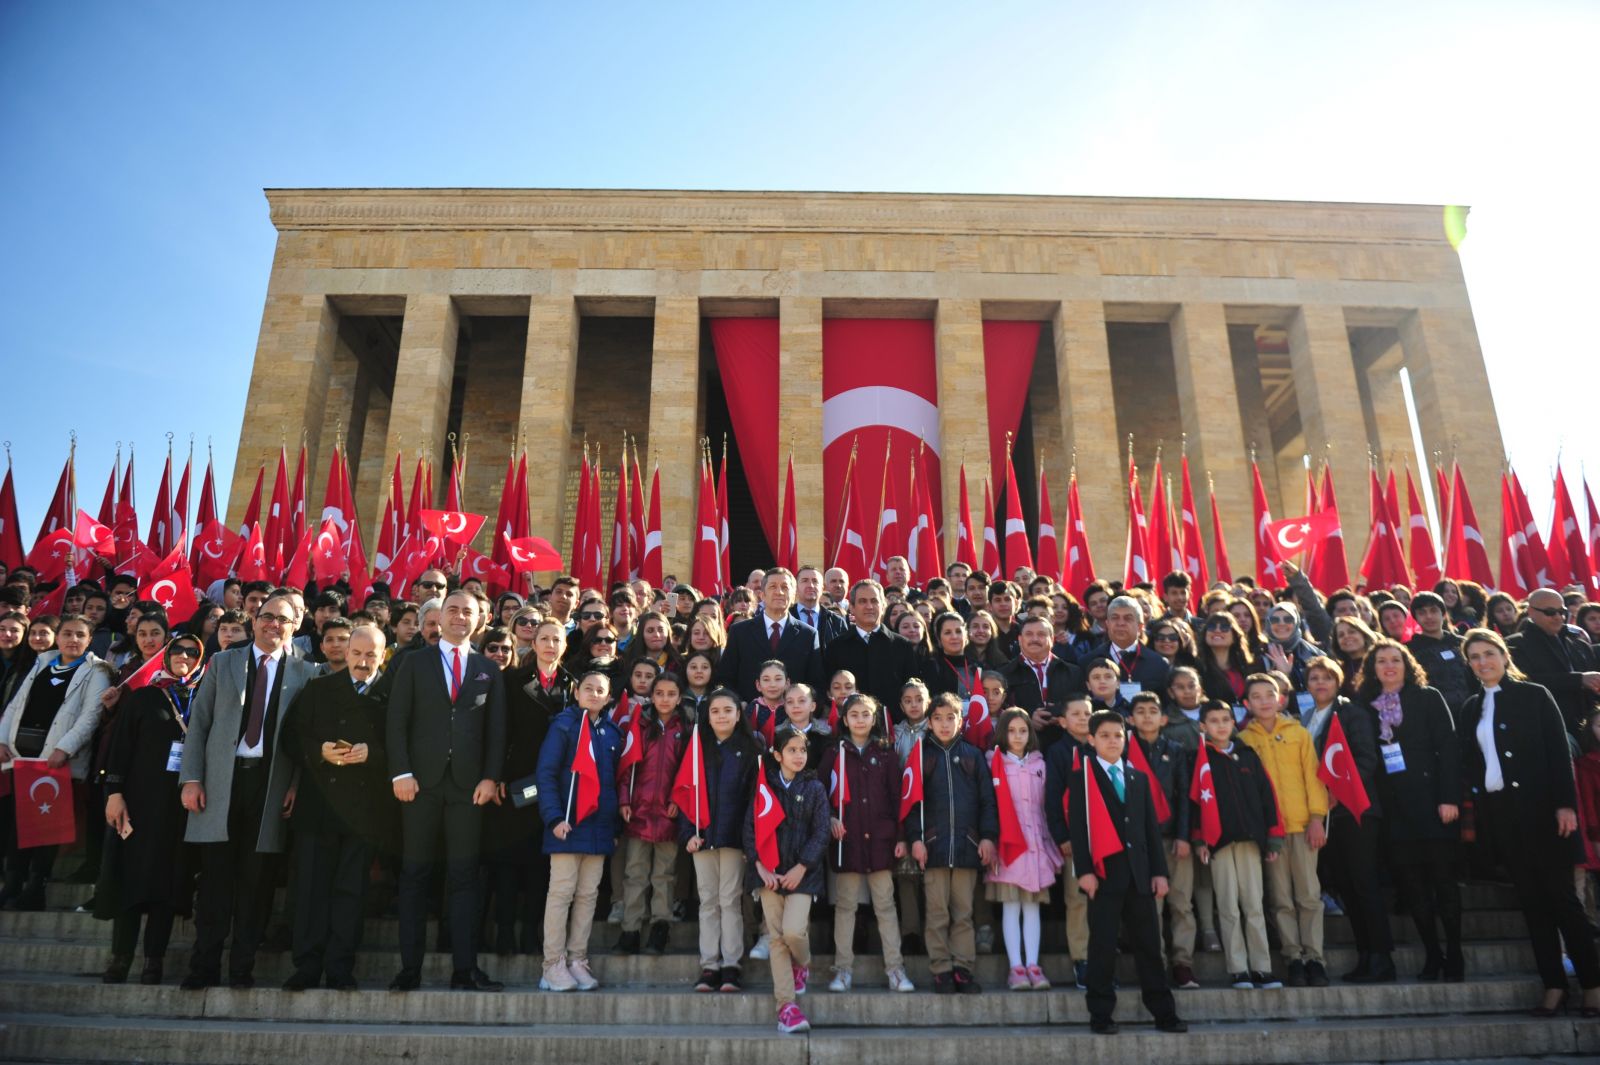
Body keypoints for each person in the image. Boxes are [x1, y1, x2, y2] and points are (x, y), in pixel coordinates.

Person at [177, 593, 318, 988]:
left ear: (294, 627)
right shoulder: (223, 662)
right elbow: (199, 723)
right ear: (255, 621)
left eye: (284, 620)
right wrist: (191, 779)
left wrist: (295, 785)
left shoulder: (306, 673)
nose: (274, 624)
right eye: (267, 616)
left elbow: (306, 739)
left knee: (257, 883)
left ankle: (242, 967)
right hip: (222, 781)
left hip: (269, 786)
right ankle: (203, 966)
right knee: (215, 880)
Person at [1459, 628, 1600, 1016]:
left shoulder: (1535, 695)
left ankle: (1592, 983)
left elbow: (1558, 754)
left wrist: (1565, 806)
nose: (1483, 662)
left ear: (1505, 656)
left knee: (1564, 902)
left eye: (1489, 653)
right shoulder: (1472, 707)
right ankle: (1553, 985)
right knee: (1533, 906)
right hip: (1503, 816)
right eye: (1474, 657)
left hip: (1545, 813)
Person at [386, 590, 507, 993]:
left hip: (469, 789)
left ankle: (465, 969)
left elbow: (496, 730)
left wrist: (491, 777)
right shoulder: (414, 662)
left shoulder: (488, 668)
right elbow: (396, 721)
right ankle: (409, 969)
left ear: (479, 620)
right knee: (415, 875)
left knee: (464, 877)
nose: (459, 617)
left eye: (467, 612)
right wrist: (400, 772)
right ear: (439, 617)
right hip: (419, 785)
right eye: (452, 610)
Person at [282, 624, 388, 991]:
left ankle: (340, 968)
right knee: (312, 890)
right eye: (356, 653)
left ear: (382, 655)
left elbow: (408, 747)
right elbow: (291, 737)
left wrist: (373, 754)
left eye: (370, 655)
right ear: (346, 653)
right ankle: (307, 966)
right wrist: (319, 752)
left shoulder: (391, 694)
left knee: (351, 892)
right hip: (319, 807)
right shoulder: (319, 688)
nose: (362, 661)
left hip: (364, 812)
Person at [95, 633, 205, 985]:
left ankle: (153, 961)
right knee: (130, 880)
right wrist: (114, 792)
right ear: (166, 656)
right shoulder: (143, 697)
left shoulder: (203, 699)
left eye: (192, 652)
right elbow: (120, 748)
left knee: (167, 886)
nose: (184, 657)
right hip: (137, 804)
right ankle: (121, 958)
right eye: (177, 651)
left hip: (179, 809)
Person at [1070, 709, 1187, 1034]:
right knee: (1103, 947)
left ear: (1126, 738)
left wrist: (1159, 872)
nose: (1112, 741)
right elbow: (1079, 828)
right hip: (1104, 875)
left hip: (1140, 876)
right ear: (1091, 740)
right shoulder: (1083, 776)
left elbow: (1151, 831)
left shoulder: (1138, 778)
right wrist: (1084, 870)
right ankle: (1101, 1015)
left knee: (1150, 946)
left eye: (1118, 735)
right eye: (1104, 736)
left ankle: (1165, 1013)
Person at [1358, 638, 1462, 981]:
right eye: (1381, 661)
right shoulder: (1365, 706)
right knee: (1414, 889)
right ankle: (1433, 953)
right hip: (1394, 810)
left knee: (1444, 885)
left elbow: (1449, 748)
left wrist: (1450, 798)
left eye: (1395, 660)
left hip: (1434, 804)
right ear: (1372, 669)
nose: (1389, 666)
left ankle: (1455, 952)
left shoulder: (1428, 697)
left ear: (1407, 664)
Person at [0, 614, 111, 909]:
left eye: (79, 635)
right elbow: (16, 704)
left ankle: (35, 889)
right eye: (67, 634)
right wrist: (1, 739)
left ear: (89, 640)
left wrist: (65, 748)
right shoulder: (43, 662)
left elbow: (91, 716)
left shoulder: (96, 670)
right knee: (17, 825)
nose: (72, 640)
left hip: (57, 762)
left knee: (45, 829)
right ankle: (12, 884)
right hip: (22, 758)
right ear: (58, 636)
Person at [1301, 656, 1393, 983]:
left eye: (1327, 677)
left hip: (1356, 811)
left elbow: (1367, 759)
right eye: (1314, 678)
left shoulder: (1351, 712)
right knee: (1347, 887)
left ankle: (1382, 957)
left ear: (1338, 681)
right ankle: (1365, 955)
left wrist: (1339, 793)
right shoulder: (1307, 717)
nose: (1321, 683)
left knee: (1364, 884)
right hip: (1327, 817)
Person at [1239, 673, 1329, 987]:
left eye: (1270, 694)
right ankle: (1293, 957)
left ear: (1281, 698)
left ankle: (1315, 957)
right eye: (1257, 696)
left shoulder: (1298, 733)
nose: (1264, 701)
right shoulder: (1244, 740)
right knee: (1280, 899)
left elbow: (1314, 777)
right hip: (1271, 832)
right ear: (1247, 704)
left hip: (1303, 825)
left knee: (1308, 895)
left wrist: (1318, 817)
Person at [820, 692, 914, 993]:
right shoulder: (834, 753)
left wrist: (900, 836)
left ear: (874, 719)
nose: (860, 719)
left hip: (881, 841)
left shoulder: (886, 754)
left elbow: (897, 797)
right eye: (854, 714)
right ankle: (843, 970)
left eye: (866, 714)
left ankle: (895, 969)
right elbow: (820, 794)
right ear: (844, 720)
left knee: (885, 905)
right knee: (846, 906)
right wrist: (831, 817)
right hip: (846, 840)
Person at [906, 692, 999, 994]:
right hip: (933, 846)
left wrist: (986, 836)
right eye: (938, 718)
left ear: (961, 721)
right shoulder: (922, 755)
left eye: (951, 717)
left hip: (967, 846)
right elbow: (910, 802)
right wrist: (915, 839)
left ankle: (963, 967)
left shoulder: (973, 756)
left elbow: (988, 800)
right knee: (936, 914)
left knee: (963, 913)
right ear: (929, 722)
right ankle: (941, 969)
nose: (945, 724)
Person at [487, 618, 569, 957]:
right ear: (533, 644)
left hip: (554, 788)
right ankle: (504, 932)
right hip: (516, 782)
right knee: (509, 862)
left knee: (542, 866)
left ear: (565, 646)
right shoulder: (511, 680)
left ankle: (531, 933)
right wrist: (498, 775)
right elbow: (499, 730)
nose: (550, 645)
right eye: (544, 639)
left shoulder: (572, 685)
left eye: (556, 639)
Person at [536, 669, 622, 992]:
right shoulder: (563, 725)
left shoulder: (612, 733)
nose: (594, 694)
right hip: (566, 825)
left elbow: (612, 784)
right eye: (588, 688)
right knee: (561, 895)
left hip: (599, 828)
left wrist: (613, 826)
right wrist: (554, 817)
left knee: (587, 896)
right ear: (576, 693)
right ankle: (552, 964)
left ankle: (576, 959)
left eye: (601, 690)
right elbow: (546, 774)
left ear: (609, 697)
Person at [1191, 698, 1283, 989]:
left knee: (1253, 905)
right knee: (1228, 906)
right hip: (1218, 842)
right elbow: (1194, 803)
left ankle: (1262, 967)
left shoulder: (1248, 755)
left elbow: (1267, 796)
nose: (1220, 726)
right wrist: (1199, 839)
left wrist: (1274, 837)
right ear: (1203, 726)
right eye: (1214, 721)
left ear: (1234, 723)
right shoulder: (1199, 759)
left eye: (1225, 720)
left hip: (1250, 841)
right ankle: (1238, 969)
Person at [747, 723, 830, 1035]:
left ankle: (803, 964)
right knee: (777, 939)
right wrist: (761, 869)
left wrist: (801, 868)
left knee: (794, 933)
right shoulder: (763, 786)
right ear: (777, 754)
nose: (799, 756)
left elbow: (821, 832)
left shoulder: (815, 788)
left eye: (803, 750)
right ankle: (787, 1008)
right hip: (768, 875)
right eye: (792, 750)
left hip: (802, 877)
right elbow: (750, 829)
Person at [683, 688, 760, 993]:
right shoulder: (696, 747)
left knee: (730, 901)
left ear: (738, 715)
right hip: (701, 839)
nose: (721, 716)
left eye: (728, 710)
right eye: (715, 711)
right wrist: (688, 833)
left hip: (733, 840)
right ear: (708, 716)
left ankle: (731, 965)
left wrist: (748, 842)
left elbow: (754, 802)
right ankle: (709, 966)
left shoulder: (750, 750)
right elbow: (685, 792)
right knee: (708, 902)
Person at [614, 671, 691, 956]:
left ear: (679, 697)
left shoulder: (685, 727)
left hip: (669, 812)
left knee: (664, 874)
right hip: (639, 809)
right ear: (651, 696)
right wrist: (625, 799)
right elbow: (627, 767)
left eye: (671, 694)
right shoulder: (641, 724)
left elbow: (688, 769)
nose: (665, 699)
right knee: (635, 872)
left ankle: (660, 927)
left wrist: (679, 800)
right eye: (659, 693)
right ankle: (630, 930)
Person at [986, 707, 1061, 991]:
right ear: (1002, 733)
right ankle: (1016, 966)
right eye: (1012, 730)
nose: (1017, 736)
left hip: (1036, 846)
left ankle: (1033, 964)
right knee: (1011, 906)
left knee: (1032, 907)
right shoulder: (993, 763)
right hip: (1008, 846)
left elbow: (1045, 807)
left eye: (1023, 730)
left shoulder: (1041, 764)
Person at [1127, 691, 1196, 988]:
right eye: (1140, 711)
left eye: (1153, 711)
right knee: (1149, 908)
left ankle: (1183, 963)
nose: (1146, 716)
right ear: (1130, 719)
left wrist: (1183, 836)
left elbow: (1184, 797)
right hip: (1141, 843)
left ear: (1164, 718)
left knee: (1181, 903)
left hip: (1171, 838)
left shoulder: (1176, 749)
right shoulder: (1123, 750)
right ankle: (1157, 963)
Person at [1508, 587, 1600, 735]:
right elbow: (1524, 683)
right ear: (1531, 612)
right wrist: (1579, 680)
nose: (1558, 617)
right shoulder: (1515, 645)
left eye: (1562, 612)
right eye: (1550, 612)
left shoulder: (1578, 643)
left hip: (1589, 731)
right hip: (1549, 729)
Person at [822, 580, 918, 716]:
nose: (869, 606)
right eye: (862, 601)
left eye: (874, 601)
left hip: (893, 728)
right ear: (852, 607)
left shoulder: (902, 646)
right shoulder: (835, 647)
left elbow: (911, 691)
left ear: (883, 605)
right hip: (850, 727)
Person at [1000, 617, 1084, 748]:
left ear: (1052, 639)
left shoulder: (1074, 672)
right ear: (1020, 640)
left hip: (1067, 747)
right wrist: (1027, 720)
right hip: (1022, 749)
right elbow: (999, 712)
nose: (1034, 639)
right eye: (1029, 634)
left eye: (1041, 634)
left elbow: (1084, 707)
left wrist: (1063, 713)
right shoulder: (1003, 675)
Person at [1408, 591, 1475, 713]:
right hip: (1434, 715)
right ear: (1415, 618)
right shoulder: (1409, 650)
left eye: (1433, 611)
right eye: (1422, 612)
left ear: (1443, 614)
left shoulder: (1463, 643)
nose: (1428, 616)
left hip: (1471, 711)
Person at [1091, 595, 1172, 694]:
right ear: (1107, 624)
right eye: (1115, 618)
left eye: (1128, 618)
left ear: (1140, 627)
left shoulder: (1159, 664)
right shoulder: (1088, 661)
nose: (1120, 623)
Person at [791, 565, 846, 649]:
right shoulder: (785, 618)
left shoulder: (837, 622)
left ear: (822, 588)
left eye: (815, 581)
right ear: (796, 587)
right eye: (805, 581)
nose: (811, 585)